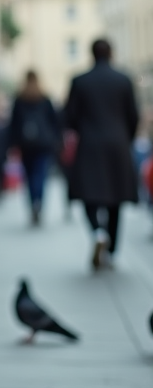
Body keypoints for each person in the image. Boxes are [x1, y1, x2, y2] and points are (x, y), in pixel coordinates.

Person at [63, 38, 140, 270]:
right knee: (116, 199)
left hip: (90, 144)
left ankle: (98, 232)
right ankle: (112, 248)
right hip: (118, 143)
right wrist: (126, 138)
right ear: (111, 53)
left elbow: (69, 116)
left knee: (90, 196)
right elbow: (133, 115)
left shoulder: (80, 81)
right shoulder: (123, 80)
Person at [7, 71, 61, 226]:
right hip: (43, 144)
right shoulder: (45, 99)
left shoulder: (19, 99)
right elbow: (54, 121)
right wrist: (55, 140)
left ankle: (33, 204)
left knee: (29, 177)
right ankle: (39, 204)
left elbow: (13, 124)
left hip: (26, 144)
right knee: (41, 175)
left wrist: (12, 143)